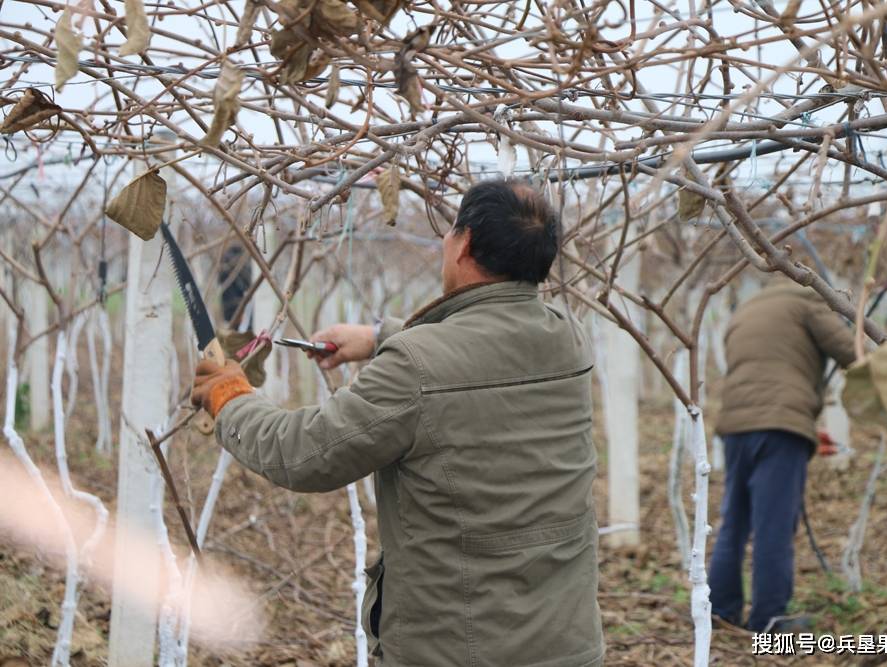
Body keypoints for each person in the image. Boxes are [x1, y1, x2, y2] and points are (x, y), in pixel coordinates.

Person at [191, 180, 604, 667]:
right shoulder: (568, 335)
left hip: (456, 649)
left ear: (464, 243)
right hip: (566, 643)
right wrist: (377, 336)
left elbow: (302, 454)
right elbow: (478, 351)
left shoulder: (414, 365)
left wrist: (230, 398)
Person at [709, 274, 856, 633]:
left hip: (736, 426)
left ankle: (720, 611)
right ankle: (770, 621)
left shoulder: (745, 310)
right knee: (773, 526)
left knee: (735, 521)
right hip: (780, 428)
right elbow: (852, 353)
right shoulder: (807, 302)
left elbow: (762, 369)